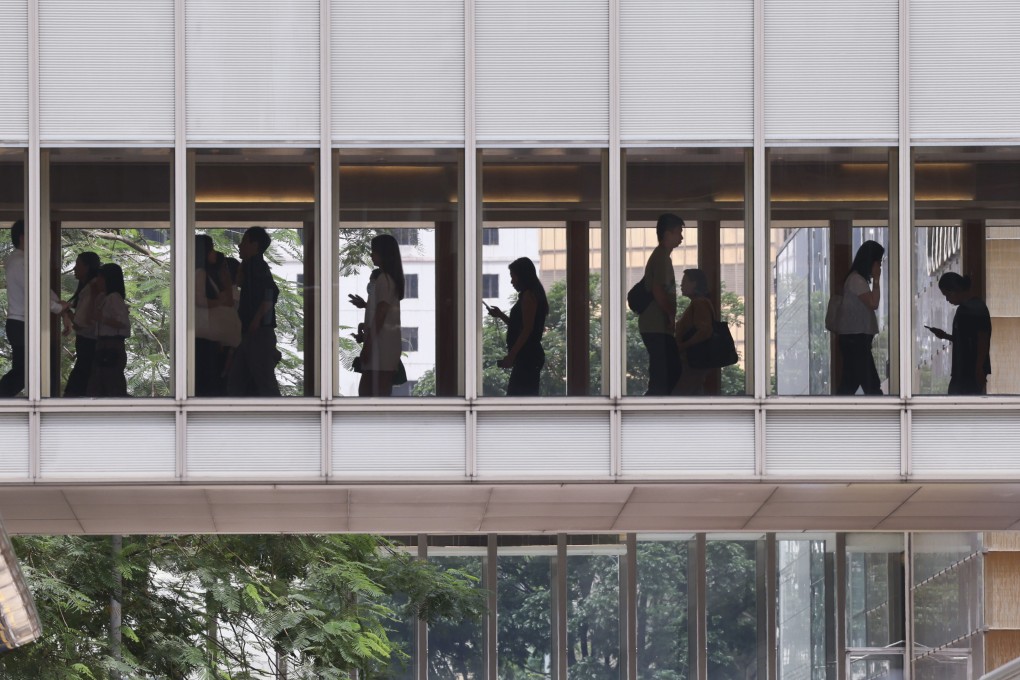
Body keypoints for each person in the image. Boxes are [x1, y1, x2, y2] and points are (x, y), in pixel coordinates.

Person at [1, 220, 69, 397]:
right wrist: (56, 307)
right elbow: (35, 292)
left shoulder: (19, 260)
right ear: (24, 237)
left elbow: (40, 288)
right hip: (21, 323)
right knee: (23, 372)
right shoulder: (21, 261)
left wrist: (58, 304)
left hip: (20, 323)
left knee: (24, 370)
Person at [348, 234, 404, 396]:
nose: (371, 255)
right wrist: (366, 305)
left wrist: (368, 345)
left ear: (384, 254)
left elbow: (381, 316)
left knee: (368, 394)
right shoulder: (388, 279)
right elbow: (382, 312)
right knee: (376, 394)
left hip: (381, 347)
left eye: (374, 251)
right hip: (382, 346)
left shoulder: (384, 280)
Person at [228, 227, 281, 396]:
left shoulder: (256, 265)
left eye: (244, 241)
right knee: (239, 380)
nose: (239, 246)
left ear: (254, 244)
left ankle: (281, 418)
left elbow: (270, 294)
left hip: (257, 333)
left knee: (263, 382)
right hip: (251, 332)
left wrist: (256, 321)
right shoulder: (251, 265)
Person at [487, 257, 549, 396]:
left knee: (517, 399)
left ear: (522, 276)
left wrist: (511, 356)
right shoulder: (531, 295)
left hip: (528, 357)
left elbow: (527, 330)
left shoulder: (528, 296)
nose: (512, 281)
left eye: (513, 277)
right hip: (529, 357)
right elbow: (520, 327)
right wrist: (501, 315)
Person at [639, 213, 684, 395]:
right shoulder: (661, 258)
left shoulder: (662, 257)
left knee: (665, 370)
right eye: (678, 232)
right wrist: (670, 314)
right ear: (667, 234)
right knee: (666, 371)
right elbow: (658, 290)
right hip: (655, 325)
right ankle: (653, 406)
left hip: (656, 325)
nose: (681, 237)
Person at [926, 272, 991, 395]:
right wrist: (945, 336)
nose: (947, 299)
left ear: (955, 290)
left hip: (970, 371)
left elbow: (983, 338)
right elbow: (965, 340)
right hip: (962, 371)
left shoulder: (975, 308)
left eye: (947, 295)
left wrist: (979, 367)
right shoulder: (965, 309)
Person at [836, 240, 885, 395]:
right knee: (871, 385)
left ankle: (836, 415)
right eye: (879, 262)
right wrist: (876, 280)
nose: (880, 267)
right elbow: (873, 303)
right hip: (856, 341)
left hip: (855, 340)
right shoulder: (856, 280)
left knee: (850, 383)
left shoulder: (856, 279)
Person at [194, 234, 237, 396]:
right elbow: (199, 300)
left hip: (208, 336)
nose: (214, 252)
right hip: (204, 336)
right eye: (211, 248)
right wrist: (219, 302)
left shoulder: (206, 274)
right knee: (209, 379)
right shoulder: (200, 273)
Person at [87, 263, 130, 397]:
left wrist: (103, 319)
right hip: (103, 343)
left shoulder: (114, 298)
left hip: (112, 344)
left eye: (100, 278)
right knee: (100, 381)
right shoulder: (103, 297)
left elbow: (122, 323)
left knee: (111, 382)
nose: (97, 281)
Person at [63, 251, 102, 397]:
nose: (74, 268)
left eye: (78, 264)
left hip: (89, 342)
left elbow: (83, 321)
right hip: (88, 341)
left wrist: (70, 315)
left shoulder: (91, 288)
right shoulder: (89, 287)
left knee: (79, 382)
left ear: (87, 267)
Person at [672, 268, 715, 395]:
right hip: (694, 362)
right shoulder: (699, 303)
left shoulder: (699, 303)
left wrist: (683, 346)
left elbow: (705, 331)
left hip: (693, 362)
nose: (681, 285)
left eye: (685, 281)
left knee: (681, 397)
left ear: (694, 283)